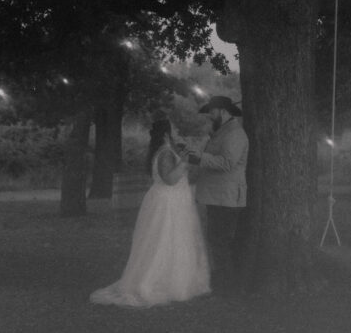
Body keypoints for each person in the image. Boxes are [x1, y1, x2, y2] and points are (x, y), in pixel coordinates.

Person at [90, 119, 210, 307]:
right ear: (166, 133)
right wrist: (185, 162)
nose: (177, 132)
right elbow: (170, 179)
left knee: (171, 241)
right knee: (163, 240)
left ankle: (173, 280)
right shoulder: (165, 153)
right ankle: (159, 282)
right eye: (174, 129)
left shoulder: (168, 151)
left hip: (171, 202)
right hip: (167, 204)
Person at [186, 96, 249, 293]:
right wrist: (196, 157)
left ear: (223, 111)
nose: (210, 116)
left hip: (227, 198)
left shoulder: (235, 134)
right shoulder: (222, 132)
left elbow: (227, 163)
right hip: (218, 197)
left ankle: (226, 287)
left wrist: (200, 157)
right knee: (217, 240)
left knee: (220, 242)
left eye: (212, 112)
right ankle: (222, 283)